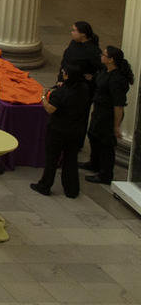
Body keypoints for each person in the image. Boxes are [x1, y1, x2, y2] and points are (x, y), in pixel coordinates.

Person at [32, 66, 93, 198]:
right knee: (71, 160)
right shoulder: (84, 88)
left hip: (58, 131)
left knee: (52, 160)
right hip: (76, 130)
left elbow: (50, 109)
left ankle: (45, 185)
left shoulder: (61, 93)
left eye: (64, 74)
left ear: (67, 76)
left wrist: (43, 96)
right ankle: (72, 190)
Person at [87, 44, 132, 183]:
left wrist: (116, 126)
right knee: (93, 136)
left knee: (105, 144)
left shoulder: (116, 79)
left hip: (107, 115)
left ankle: (106, 174)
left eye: (104, 55)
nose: (101, 56)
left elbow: (118, 106)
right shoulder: (105, 71)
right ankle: (94, 164)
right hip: (99, 110)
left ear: (111, 59)